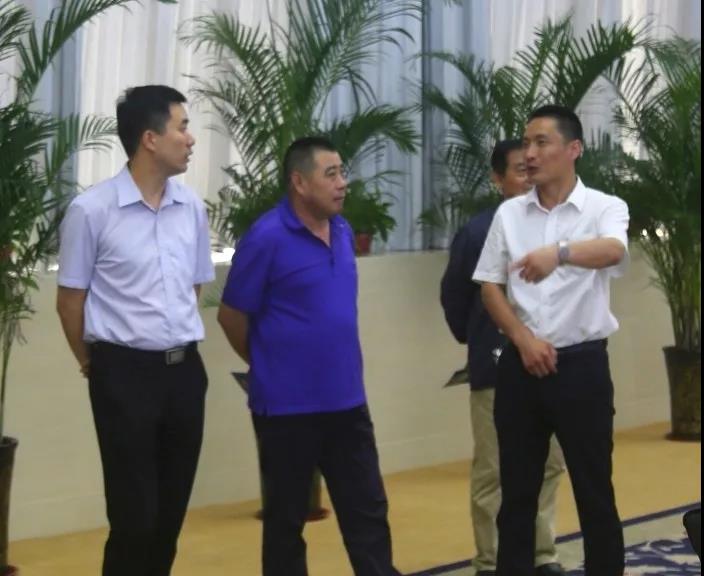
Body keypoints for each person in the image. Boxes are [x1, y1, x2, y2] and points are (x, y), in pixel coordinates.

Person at [217, 136, 400, 576]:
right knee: (286, 522)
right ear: (299, 182)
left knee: (368, 513)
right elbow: (231, 316)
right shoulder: (266, 237)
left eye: (342, 172)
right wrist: (268, 362)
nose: (343, 183)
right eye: (330, 174)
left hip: (347, 402)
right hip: (286, 409)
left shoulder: (342, 231)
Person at [56, 85, 215, 576]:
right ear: (150, 138)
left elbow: (192, 289)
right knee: (133, 518)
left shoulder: (191, 208)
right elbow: (70, 302)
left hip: (184, 373)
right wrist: (95, 363)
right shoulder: (92, 210)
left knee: (169, 516)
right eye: (182, 127)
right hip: (123, 375)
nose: (191, 138)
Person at [473, 105, 630, 576]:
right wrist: (522, 340)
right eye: (527, 143)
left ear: (573, 149)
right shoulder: (510, 213)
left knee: (594, 491)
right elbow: (489, 285)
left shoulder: (604, 207)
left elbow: (613, 250)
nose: (530, 153)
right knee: (517, 495)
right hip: (521, 366)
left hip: (581, 367)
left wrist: (558, 254)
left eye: (542, 142)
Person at [440, 140, 566, 576]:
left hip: (551, 364)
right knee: (494, 470)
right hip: (496, 368)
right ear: (498, 180)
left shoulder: (556, 228)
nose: (529, 178)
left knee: (549, 464)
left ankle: (542, 554)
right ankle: (491, 561)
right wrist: (477, 339)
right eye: (518, 171)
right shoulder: (478, 232)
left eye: (533, 169)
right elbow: (455, 296)